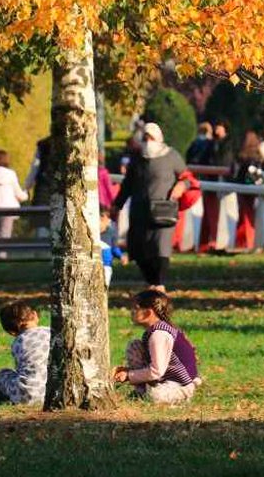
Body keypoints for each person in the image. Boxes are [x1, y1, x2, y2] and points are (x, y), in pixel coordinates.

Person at [112, 122, 188, 292]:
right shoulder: (137, 158)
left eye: (151, 138)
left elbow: (186, 177)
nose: (148, 142)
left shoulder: (172, 156)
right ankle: (150, 283)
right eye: (145, 138)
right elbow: (128, 184)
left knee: (160, 248)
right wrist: (117, 204)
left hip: (163, 211)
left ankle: (159, 284)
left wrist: (181, 186)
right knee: (139, 249)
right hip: (140, 212)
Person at [113, 290, 200, 405]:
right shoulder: (154, 331)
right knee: (135, 345)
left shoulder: (159, 334)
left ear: (147, 313)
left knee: (154, 396)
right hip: (165, 377)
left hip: (180, 385)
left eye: (135, 308)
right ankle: (141, 390)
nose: (132, 312)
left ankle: (149, 394)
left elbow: (156, 371)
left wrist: (129, 375)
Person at [231, 131, 264, 250]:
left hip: (241, 187)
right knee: (250, 215)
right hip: (253, 189)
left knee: (243, 214)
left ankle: (243, 241)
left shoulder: (241, 157)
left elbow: (234, 172)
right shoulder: (257, 157)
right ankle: (249, 240)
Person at [99, 209, 126, 288]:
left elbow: (114, 248)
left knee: (104, 286)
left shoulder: (111, 232)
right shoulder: (92, 234)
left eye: (103, 219)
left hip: (106, 265)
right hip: (93, 263)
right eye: (100, 219)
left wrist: (121, 256)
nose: (100, 222)